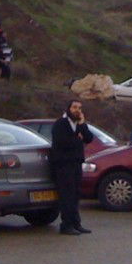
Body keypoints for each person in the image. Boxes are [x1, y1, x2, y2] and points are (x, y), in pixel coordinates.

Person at [49, 99, 94, 236]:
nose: (77, 110)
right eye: (74, 107)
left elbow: (89, 138)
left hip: (76, 164)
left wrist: (82, 125)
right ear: (68, 109)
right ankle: (66, 225)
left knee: (75, 194)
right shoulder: (60, 124)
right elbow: (63, 142)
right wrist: (77, 139)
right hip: (63, 165)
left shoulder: (77, 124)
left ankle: (76, 223)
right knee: (66, 195)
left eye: (79, 108)